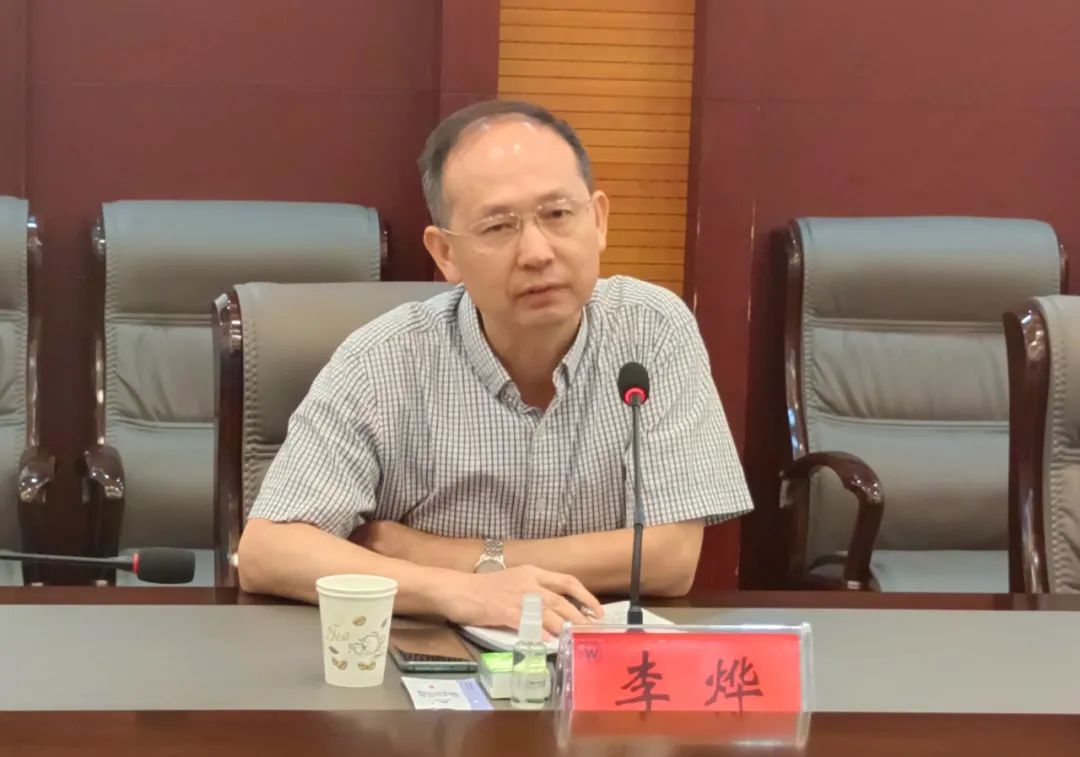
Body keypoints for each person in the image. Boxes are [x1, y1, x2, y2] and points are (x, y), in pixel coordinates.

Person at [237, 100, 753, 635]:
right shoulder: (383, 359)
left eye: (558, 215)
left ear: (598, 220)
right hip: (432, 654)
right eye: (498, 227)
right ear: (445, 254)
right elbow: (267, 552)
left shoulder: (653, 330)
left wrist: (437, 554)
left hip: (598, 657)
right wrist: (461, 592)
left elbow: (670, 558)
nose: (537, 252)